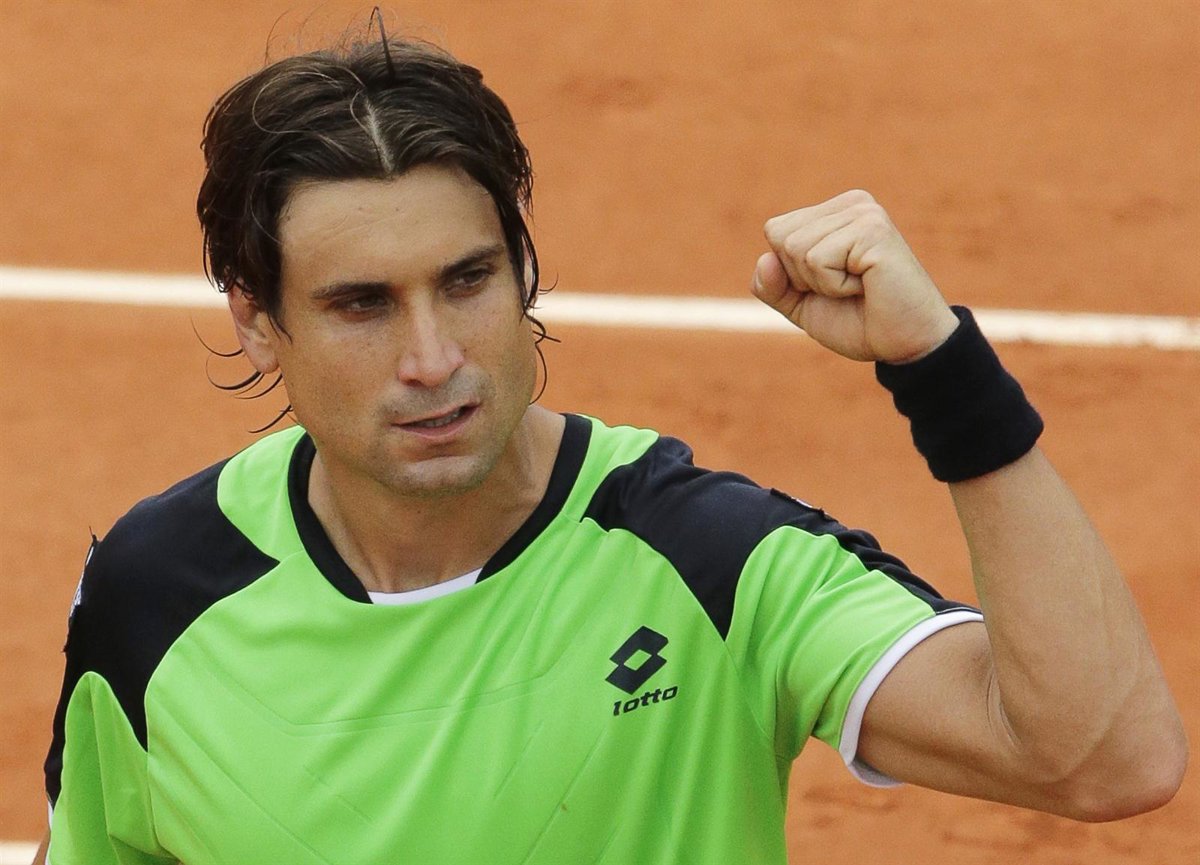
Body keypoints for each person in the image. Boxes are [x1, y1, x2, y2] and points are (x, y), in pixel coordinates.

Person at [36, 25, 1186, 865]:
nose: (434, 357)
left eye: (468, 281)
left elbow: (1104, 759)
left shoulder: (707, 562)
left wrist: (944, 370)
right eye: (362, 304)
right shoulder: (159, 593)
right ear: (256, 316)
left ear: (525, 270)